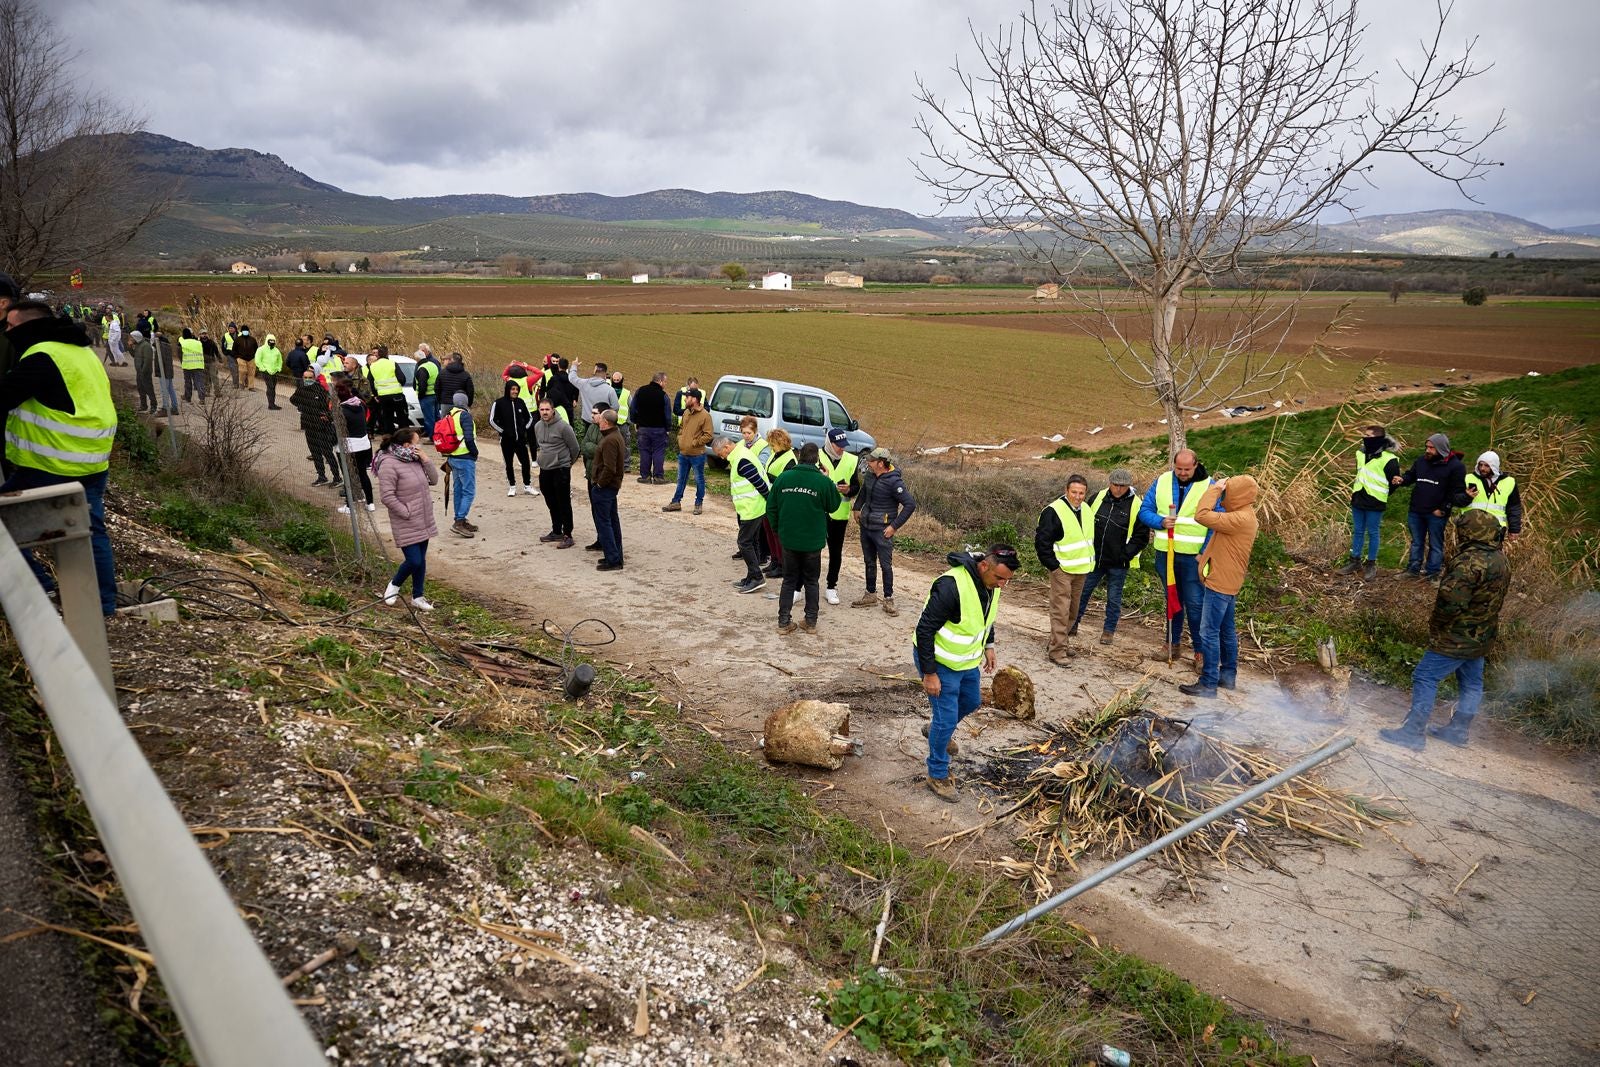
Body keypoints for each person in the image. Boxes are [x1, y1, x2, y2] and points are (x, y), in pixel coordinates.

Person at [1, 299, 119, 615]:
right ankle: (104, 606)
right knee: (91, 529)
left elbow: (5, 395)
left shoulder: (42, 357)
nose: (7, 331)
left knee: (2, 522)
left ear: (29, 326)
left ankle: (38, 589)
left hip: (54, 462)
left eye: (11, 326)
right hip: (93, 460)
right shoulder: (78, 350)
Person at [1378, 510, 1510, 750]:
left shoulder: (1468, 562)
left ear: (1469, 532)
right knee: (1471, 684)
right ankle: (1458, 731)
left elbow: (1450, 603)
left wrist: (1436, 625)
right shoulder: (1500, 559)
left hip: (1456, 636)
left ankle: (1413, 732)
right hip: (1483, 635)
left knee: (1425, 676)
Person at [914, 544, 1020, 802]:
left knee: (971, 701)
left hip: (966, 662)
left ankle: (938, 729)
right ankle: (937, 774)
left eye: (1007, 581)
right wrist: (929, 674)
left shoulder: (992, 583)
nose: (1003, 585)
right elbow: (924, 630)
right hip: (940, 662)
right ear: (984, 565)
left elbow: (986, 617)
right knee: (947, 716)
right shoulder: (951, 586)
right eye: (1000, 578)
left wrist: (990, 646)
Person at [1178, 475, 1260, 698]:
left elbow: (1201, 515)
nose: (1225, 496)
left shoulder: (1240, 518)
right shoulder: (1244, 516)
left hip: (1221, 583)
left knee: (1208, 631)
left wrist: (1214, 489)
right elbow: (1225, 543)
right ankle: (1227, 677)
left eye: (1228, 492)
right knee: (1226, 630)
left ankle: (1208, 683)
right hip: (1229, 579)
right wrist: (1206, 557)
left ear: (1238, 494)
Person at [1139, 448, 1211, 667]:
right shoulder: (1161, 482)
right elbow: (1144, 511)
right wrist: (1159, 521)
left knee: (1196, 605)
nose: (1182, 473)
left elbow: (1216, 522)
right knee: (1172, 600)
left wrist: (1205, 553)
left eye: (1186, 469)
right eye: (1178, 468)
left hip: (1193, 559)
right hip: (1166, 554)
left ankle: (1201, 652)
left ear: (1196, 465)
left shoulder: (1209, 486)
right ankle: (1172, 644)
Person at [768, 443, 842, 634]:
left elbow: (771, 508)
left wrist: (779, 530)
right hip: (812, 542)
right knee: (811, 581)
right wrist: (828, 480)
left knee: (789, 581)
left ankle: (784, 622)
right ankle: (810, 622)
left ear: (799, 456)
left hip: (789, 539)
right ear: (817, 459)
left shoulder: (784, 478)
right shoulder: (822, 482)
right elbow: (834, 505)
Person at [1076, 469, 1150, 645]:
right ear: (1110, 483)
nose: (1118, 489)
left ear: (1128, 486)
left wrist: (1124, 555)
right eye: (1115, 485)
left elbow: (1141, 537)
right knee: (1082, 592)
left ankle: (1108, 631)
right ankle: (1073, 624)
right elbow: (1083, 521)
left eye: (1122, 486)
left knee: (1114, 598)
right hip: (1095, 558)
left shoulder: (1137, 505)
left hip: (1118, 563)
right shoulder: (1097, 497)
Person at [373, 427, 439, 611]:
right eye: (416, 443)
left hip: (423, 517)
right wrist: (406, 512)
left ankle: (418, 596)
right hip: (406, 519)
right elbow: (387, 496)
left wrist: (426, 460)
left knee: (421, 559)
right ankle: (394, 585)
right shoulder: (388, 464)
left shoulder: (415, 458)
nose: (419, 447)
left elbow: (434, 480)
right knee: (414, 560)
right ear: (406, 445)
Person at [1034, 473, 1097, 665]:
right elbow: (1042, 543)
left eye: (1081, 493)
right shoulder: (1053, 511)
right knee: (1060, 610)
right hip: (1062, 569)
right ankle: (1057, 651)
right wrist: (1054, 567)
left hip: (1081, 569)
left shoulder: (1086, 509)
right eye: (1074, 492)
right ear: (1066, 491)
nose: (1078, 496)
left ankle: (1060, 641)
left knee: (1072, 610)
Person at [1395, 432, 1468, 580]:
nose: (1427, 450)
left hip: (1436, 514)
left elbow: (1455, 492)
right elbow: (1411, 475)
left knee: (1435, 544)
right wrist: (1402, 479)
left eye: (1431, 448)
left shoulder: (1456, 467)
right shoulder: (1421, 461)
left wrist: (1443, 509)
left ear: (1441, 449)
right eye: (1427, 447)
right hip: (1416, 510)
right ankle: (1412, 570)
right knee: (1417, 542)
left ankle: (1433, 573)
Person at [852, 447, 916, 616]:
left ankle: (888, 598)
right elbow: (864, 492)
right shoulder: (870, 476)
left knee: (885, 565)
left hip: (882, 530)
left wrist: (893, 527)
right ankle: (870, 594)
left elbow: (910, 505)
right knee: (869, 562)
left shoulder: (895, 482)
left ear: (881, 463)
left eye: (871, 461)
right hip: (866, 526)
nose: (868, 463)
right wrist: (857, 508)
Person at [1338, 425, 1400, 579]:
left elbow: (1394, 483)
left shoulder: (1390, 460)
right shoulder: (1360, 453)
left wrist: (1382, 493)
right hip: (1358, 498)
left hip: (1375, 501)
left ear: (1378, 439)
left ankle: (1371, 564)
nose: (1364, 438)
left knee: (1373, 532)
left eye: (1368, 436)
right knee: (1358, 530)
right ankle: (1355, 561)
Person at [715, 434, 772, 593]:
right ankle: (751, 576)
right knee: (752, 541)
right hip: (752, 507)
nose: (721, 457)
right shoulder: (740, 454)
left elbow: (759, 483)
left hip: (752, 508)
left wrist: (770, 501)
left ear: (726, 447)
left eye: (721, 453)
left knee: (744, 542)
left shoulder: (741, 460)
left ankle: (756, 577)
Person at [817, 429, 861, 605]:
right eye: (838, 446)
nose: (841, 449)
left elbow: (857, 487)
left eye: (844, 446)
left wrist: (849, 490)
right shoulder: (817, 456)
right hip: (819, 513)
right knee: (812, 552)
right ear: (829, 443)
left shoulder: (852, 459)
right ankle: (801, 586)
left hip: (839, 516)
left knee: (835, 553)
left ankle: (831, 587)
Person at [534, 397, 581, 548]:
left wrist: (567, 464)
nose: (545, 412)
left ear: (553, 410)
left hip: (561, 468)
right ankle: (556, 530)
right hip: (545, 468)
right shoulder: (537, 426)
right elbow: (541, 446)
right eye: (542, 410)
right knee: (550, 499)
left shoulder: (563, 427)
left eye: (547, 409)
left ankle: (568, 534)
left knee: (563, 501)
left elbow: (575, 448)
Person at [662, 387, 712, 513]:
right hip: (683, 453)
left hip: (697, 455)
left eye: (687, 397)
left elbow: (708, 435)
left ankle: (698, 504)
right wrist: (681, 439)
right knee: (681, 479)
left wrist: (695, 443)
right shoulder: (686, 413)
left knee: (699, 479)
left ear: (694, 399)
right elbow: (682, 428)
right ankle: (676, 502)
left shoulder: (705, 416)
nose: (685, 398)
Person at [589, 408, 626, 571]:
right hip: (610, 487)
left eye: (600, 419)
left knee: (605, 523)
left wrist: (599, 484)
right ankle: (615, 556)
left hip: (605, 488)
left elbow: (610, 468)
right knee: (612, 521)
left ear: (606, 422)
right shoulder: (614, 435)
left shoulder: (610, 440)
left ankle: (613, 559)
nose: (598, 421)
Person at [333, 380, 375, 514]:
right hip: (363, 444)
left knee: (348, 476)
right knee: (362, 474)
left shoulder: (341, 410)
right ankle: (370, 502)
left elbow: (337, 430)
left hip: (348, 446)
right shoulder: (360, 405)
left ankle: (350, 506)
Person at [291, 370, 339, 487]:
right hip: (308, 425)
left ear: (314, 378)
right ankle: (321, 476)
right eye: (305, 377)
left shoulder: (320, 390)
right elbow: (293, 400)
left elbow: (330, 407)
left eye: (310, 377)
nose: (307, 380)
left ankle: (337, 478)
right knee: (315, 452)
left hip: (322, 427)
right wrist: (303, 406)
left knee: (327, 452)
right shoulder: (301, 389)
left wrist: (326, 416)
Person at [489, 379, 537, 496]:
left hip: (520, 439)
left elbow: (529, 418)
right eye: (513, 389)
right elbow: (492, 420)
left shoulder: (521, 402)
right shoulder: (499, 403)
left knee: (526, 463)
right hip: (506, 440)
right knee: (509, 464)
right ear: (508, 390)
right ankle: (512, 486)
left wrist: (523, 430)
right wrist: (503, 432)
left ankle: (527, 486)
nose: (515, 392)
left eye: (517, 389)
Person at [441, 391, 479, 536]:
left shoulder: (449, 415)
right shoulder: (465, 416)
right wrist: (475, 453)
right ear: (465, 402)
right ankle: (459, 521)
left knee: (458, 489)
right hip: (465, 458)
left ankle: (459, 518)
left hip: (452, 457)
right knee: (469, 491)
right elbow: (469, 439)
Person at [1464, 450, 1522, 539]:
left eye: (1487, 466)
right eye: (1480, 465)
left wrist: (1514, 529)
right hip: (1470, 529)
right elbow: (1456, 500)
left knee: (1493, 553)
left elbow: (1514, 507)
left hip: (1496, 531)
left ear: (1494, 466)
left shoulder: (1509, 482)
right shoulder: (1467, 479)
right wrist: (1467, 497)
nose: (1482, 468)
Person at [632, 370, 672, 484]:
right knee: (658, 452)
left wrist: (635, 421)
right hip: (659, 429)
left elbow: (633, 408)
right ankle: (658, 477)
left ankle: (645, 476)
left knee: (644, 451)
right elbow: (667, 414)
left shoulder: (640, 391)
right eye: (665, 382)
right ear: (660, 381)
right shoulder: (663, 396)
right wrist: (668, 428)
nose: (665, 384)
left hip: (643, 428)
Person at [568, 360, 617, 452]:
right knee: (603, 448)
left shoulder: (584, 383)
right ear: (605, 374)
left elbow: (571, 378)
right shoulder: (610, 390)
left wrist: (574, 366)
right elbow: (615, 407)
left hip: (588, 421)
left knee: (587, 447)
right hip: (604, 424)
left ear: (594, 372)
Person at [365, 344, 408, 435]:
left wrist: (375, 395)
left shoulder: (373, 366)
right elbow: (402, 379)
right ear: (387, 354)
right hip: (397, 395)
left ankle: (389, 437)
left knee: (387, 418)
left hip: (383, 397)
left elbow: (370, 383)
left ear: (378, 355)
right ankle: (403, 437)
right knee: (402, 417)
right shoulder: (392, 363)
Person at [608, 370, 634, 473]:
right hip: (610, 422)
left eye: (618, 380)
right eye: (614, 380)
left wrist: (630, 421)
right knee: (610, 445)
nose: (616, 381)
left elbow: (632, 407)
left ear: (622, 380)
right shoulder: (608, 390)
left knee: (625, 445)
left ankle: (626, 466)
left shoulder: (627, 393)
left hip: (623, 423)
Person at [413, 343, 441, 432]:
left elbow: (422, 385)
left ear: (417, 359)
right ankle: (439, 434)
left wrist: (420, 396)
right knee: (436, 417)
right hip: (435, 395)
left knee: (429, 419)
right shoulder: (432, 365)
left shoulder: (422, 368)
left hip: (426, 396)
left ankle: (433, 437)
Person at [130, 329, 157, 413]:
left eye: (132, 338)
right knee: (140, 388)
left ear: (136, 338)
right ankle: (143, 405)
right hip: (139, 371)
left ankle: (153, 405)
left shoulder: (146, 346)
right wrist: (130, 347)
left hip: (145, 372)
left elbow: (148, 360)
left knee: (148, 388)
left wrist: (143, 371)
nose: (131, 339)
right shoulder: (138, 345)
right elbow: (134, 355)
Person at [256, 333, 285, 409]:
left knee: (273, 387)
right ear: (267, 341)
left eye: (273, 341)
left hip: (274, 372)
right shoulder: (261, 349)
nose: (272, 343)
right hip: (266, 372)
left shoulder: (276, 350)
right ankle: (271, 404)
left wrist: (279, 369)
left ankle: (272, 403)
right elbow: (258, 360)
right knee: (270, 387)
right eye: (270, 341)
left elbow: (280, 361)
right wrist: (263, 369)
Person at [179, 327, 206, 403]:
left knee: (188, 382)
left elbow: (180, 339)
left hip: (187, 366)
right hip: (199, 365)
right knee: (199, 382)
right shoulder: (198, 343)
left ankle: (188, 397)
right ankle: (202, 398)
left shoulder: (183, 342)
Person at [233, 325, 259, 390]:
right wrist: (236, 357)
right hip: (241, 358)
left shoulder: (252, 339)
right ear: (241, 331)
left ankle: (251, 387)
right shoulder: (238, 340)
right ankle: (241, 383)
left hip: (251, 358)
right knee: (242, 371)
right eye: (244, 331)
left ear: (248, 331)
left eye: (246, 331)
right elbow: (234, 349)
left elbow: (256, 348)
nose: (245, 332)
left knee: (251, 373)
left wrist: (254, 356)